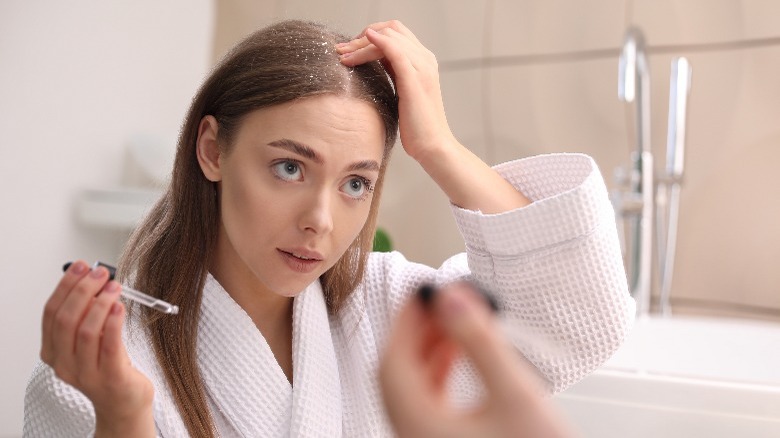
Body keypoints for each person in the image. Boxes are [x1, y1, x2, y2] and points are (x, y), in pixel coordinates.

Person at [24, 19, 634, 437]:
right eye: (289, 167)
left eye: (356, 184)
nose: (321, 220)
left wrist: (438, 146)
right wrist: (124, 417)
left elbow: (577, 321)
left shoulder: (388, 308)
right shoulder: (107, 369)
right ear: (211, 150)